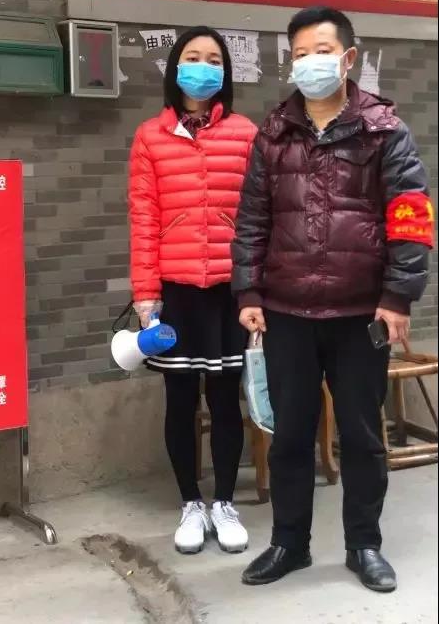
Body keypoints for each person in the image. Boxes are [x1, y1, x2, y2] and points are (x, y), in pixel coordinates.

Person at [232, 6, 433, 592]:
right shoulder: (273, 133)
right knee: (291, 436)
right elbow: (252, 219)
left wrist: (398, 297)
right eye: (299, 54)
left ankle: (364, 545)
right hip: (286, 312)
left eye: (321, 51)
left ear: (348, 58)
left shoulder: (384, 130)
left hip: (360, 313)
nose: (309, 63)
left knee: (362, 436)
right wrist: (248, 289)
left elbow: (410, 216)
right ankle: (289, 544)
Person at [129, 27, 257, 555]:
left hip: (230, 289)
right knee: (179, 400)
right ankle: (190, 503)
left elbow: (260, 219)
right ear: (175, 68)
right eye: (192, 57)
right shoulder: (150, 137)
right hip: (176, 290)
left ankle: (224, 502)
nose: (202, 67)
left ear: (225, 72)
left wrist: (257, 290)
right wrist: (146, 297)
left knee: (226, 399)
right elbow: (143, 220)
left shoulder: (246, 134)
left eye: (213, 59)